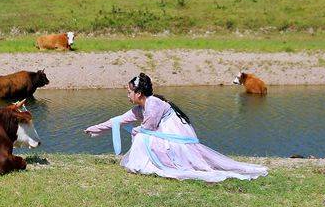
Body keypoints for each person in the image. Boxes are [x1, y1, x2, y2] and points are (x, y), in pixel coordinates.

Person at [84, 73, 268, 182]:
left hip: (177, 138)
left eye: (129, 92)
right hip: (167, 137)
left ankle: (154, 163)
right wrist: (94, 128)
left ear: (138, 93)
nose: (127, 95)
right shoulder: (140, 107)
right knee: (140, 134)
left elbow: (147, 130)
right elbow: (119, 120)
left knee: (141, 136)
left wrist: (135, 131)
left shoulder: (153, 104)